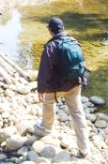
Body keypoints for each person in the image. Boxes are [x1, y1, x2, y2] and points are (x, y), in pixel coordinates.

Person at [36, 17, 90, 158]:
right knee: (77, 113)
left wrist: (41, 89)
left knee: (48, 103)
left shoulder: (50, 47)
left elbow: (44, 71)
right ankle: (84, 148)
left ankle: (46, 127)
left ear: (50, 31)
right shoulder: (74, 42)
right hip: (75, 84)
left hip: (57, 87)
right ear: (63, 28)